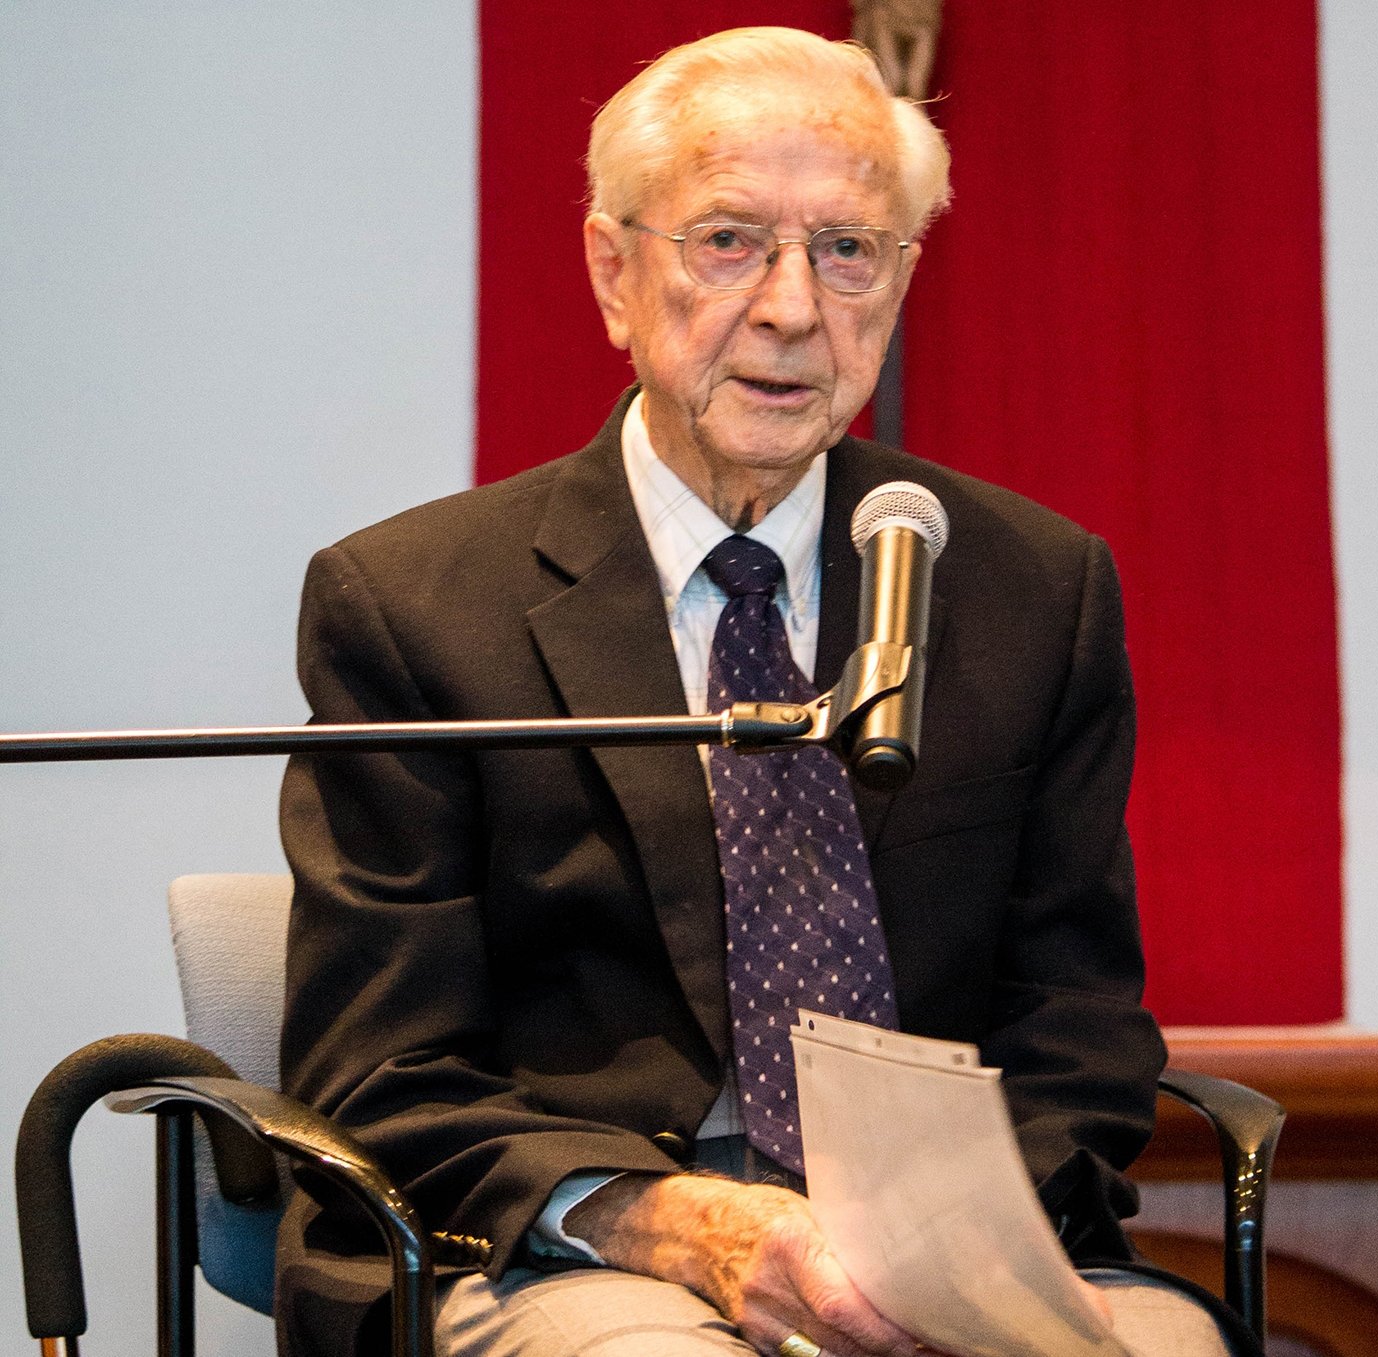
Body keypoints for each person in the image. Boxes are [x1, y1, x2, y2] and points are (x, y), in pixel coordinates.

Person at [277, 26, 1254, 1357]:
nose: (796, 307)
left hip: (946, 1236)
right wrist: (682, 1222)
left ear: (899, 284)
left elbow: (1077, 1024)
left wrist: (947, 1240)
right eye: (730, 239)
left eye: (848, 250)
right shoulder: (416, 606)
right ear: (614, 273)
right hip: (594, 1244)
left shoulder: (1031, 587)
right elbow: (380, 1070)